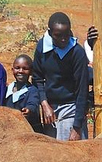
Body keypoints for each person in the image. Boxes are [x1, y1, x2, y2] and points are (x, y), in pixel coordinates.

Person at [32, 12, 89, 141]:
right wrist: (44, 104)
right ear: (50, 32)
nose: (63, 39)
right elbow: (37, 78)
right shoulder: (42, 47)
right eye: (58, 36)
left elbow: (82, 90)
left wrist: (77, 127)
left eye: (66, 35)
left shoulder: (77, 52)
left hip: (70, 109)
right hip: (50, 111)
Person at [3, 54, 41, 133]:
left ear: (31, 71)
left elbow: (33, 103)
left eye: (25, 68)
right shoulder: (7, 89)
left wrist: (29, 109)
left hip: (29, 131)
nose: (20, 71)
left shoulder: (32, 90)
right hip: (11, 130)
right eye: (17, 68)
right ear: (12, 70)